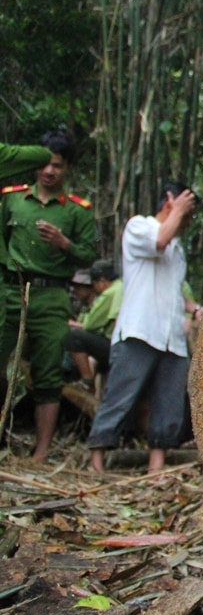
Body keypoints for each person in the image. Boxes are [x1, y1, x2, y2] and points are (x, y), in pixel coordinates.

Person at [87, 182, 200, 474]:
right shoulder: (139, 227)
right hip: (140, 329)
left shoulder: (178, 250)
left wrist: (196, 310)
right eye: (188, 214)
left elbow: (176, 291)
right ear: (169, 203)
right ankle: (96, 462)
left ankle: (156, 467)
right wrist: (178, 210)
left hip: (171, 337)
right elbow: (159, 241)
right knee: (120, 396)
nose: (188, 222)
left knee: (168, 401)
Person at [0, 130, 98, 463]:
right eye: (44, 164)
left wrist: (63, 243)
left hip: (51, 295)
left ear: (67, 168)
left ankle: (40, 453)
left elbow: (88, 255)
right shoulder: (12, 198)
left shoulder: (77, 211)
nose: (49, 171)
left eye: (57, 165)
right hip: (10, 290)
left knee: (47, 374)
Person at [66, 259, 123, 391]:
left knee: (74, 336)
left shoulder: (110, 292)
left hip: (116, 346)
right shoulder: (122, 285)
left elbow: (90, 324)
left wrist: (74, 324)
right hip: (128, 346)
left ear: (102, 281)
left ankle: (87, 381)